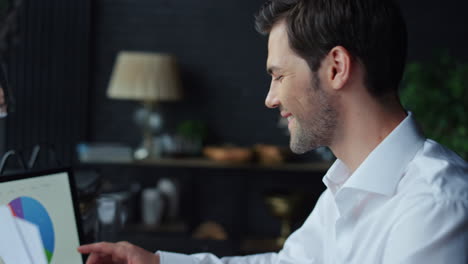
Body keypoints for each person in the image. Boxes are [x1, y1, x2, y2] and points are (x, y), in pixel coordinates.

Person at [78, 0, 468, 263]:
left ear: (336, 68)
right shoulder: (346, 185)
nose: (270, 98)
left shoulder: (435, 205)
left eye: (279, 76)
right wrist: (157, 262)